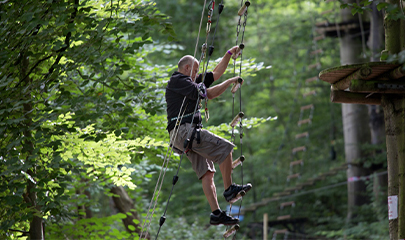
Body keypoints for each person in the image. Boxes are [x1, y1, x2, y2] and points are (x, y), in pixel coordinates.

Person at [165, 46, 252, 226]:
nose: (197, 74)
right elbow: (210, 94)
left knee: (207, 173)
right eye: (195, 70)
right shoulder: (179, 80)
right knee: (225, 148)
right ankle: (229, 189)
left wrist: (228, 53)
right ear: (187, 68)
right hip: (184, 131)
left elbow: (215, 74)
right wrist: (230, 82)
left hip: (181, 136)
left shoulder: (190, 81)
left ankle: (216, 214)